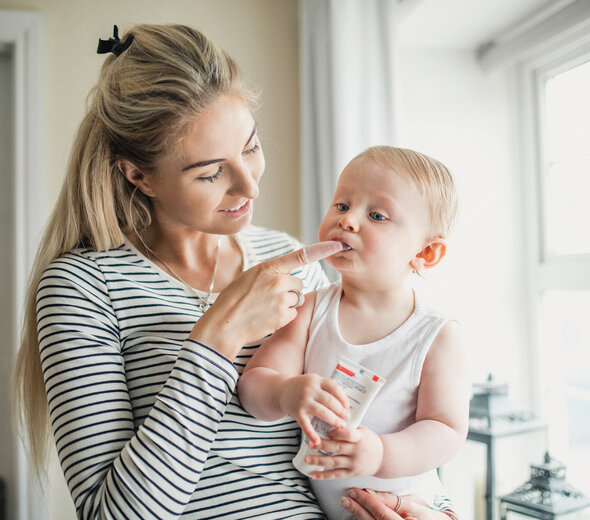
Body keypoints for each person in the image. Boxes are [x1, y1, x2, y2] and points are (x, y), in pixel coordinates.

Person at [11, 23, 457, 520]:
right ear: (138, 175)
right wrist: (219, 337)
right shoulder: (81, 288)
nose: (249, 186)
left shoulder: (294, 260)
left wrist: (420, 509)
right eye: (210, 172)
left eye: (249, 147)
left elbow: (380, 423)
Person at [239, 146, 470, 519]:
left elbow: (445, 429)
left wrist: (380, 453)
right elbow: (252, 386)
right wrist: (284, 392)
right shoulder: (310, 309)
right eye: (342, 205)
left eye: (376, 215)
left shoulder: (437, 336)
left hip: (410, 505)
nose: (348, 221)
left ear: (425, 254)